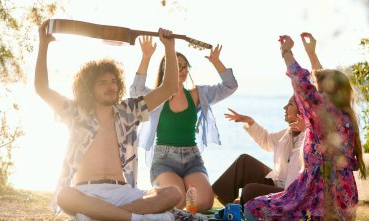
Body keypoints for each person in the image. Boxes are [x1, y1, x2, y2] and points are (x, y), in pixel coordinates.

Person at [35, 20, 182, 221]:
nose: (110, 87)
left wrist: (169, 47)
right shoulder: (76, 112)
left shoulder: (127, 111)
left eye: (113, 81)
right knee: (64, 195)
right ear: (89, 88)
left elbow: (169, 88)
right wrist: (43, 45)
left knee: (173, 193)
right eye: (102, 83)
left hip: (122, 192)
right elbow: (42, 89)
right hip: (87, 193)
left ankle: (105, 217)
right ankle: (135, 218)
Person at [244, 33, 367, 220]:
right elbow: (321, 83)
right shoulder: (343, 116)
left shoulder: (322, 114)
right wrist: (312, 54)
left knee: (254, 207)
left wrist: (286, 51)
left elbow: (302, 83)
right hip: (341, 200)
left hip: (318, 200)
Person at [129, 36, 238, 211]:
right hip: (164, 160)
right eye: (177, 66)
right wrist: (146, 57)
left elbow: (230, 86)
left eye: (185, 66)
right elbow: (135, 92)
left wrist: (216, 62)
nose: (182, 70)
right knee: (177, 201)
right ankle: (155, 194)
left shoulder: (197, 95)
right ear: (166, 70)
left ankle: (173, 201)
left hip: (192, 159)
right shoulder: (156, 97)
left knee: (204, 202)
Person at [212, 96, 306, 207]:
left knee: (249, 191)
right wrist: (249, 121)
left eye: (290, 104)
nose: (284, 107)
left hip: (290, 196)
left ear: (301, 111)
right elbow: (268, 141)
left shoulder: (312, 139)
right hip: (278, 183)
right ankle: (211, 198)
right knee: (244, 162)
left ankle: (239, 207)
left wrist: (307, 128)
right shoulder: (289, 132)